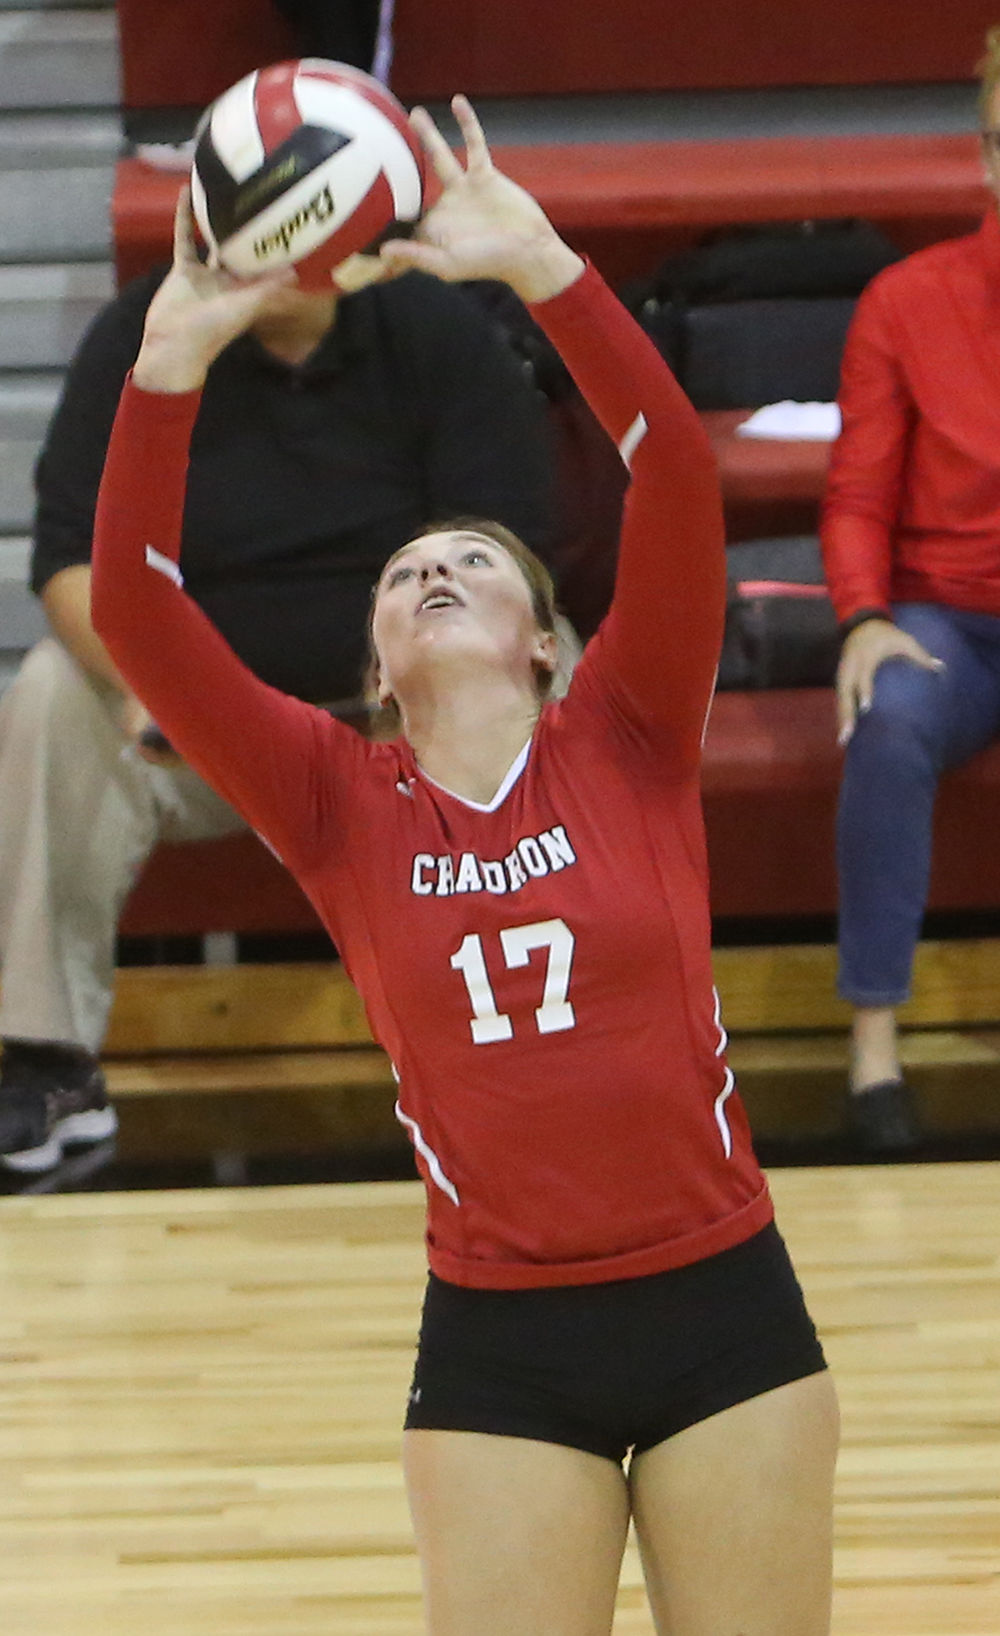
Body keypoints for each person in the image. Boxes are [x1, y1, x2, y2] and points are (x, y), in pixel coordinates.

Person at [88, 96, 840, 1635]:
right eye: (403, 574)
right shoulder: (330, 799)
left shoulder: (628, 730)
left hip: (724, 1302)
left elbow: (674, 480)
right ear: (375, 661)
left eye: (472, 561)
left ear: (547, 637)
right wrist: (172, 359)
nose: (432, 569)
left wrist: (543, 268)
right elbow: (141, 616)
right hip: (503, 1340)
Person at [0, 213, 554, 1176]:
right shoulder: (147, 332)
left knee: (560, 665)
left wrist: (431, 691)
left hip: (413, 730)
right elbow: (68, 563)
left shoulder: (436, 331)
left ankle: (547, 1033)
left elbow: (511, 558)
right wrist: (152, 692)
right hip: (210, 739)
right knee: (53, 689)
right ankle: (48, 1064)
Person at [822, 26, 1000, 1156]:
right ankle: (872, 1048)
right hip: (948, 620)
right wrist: (863, 618)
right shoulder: (905, 298)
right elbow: (854, 499)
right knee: (886, 724)